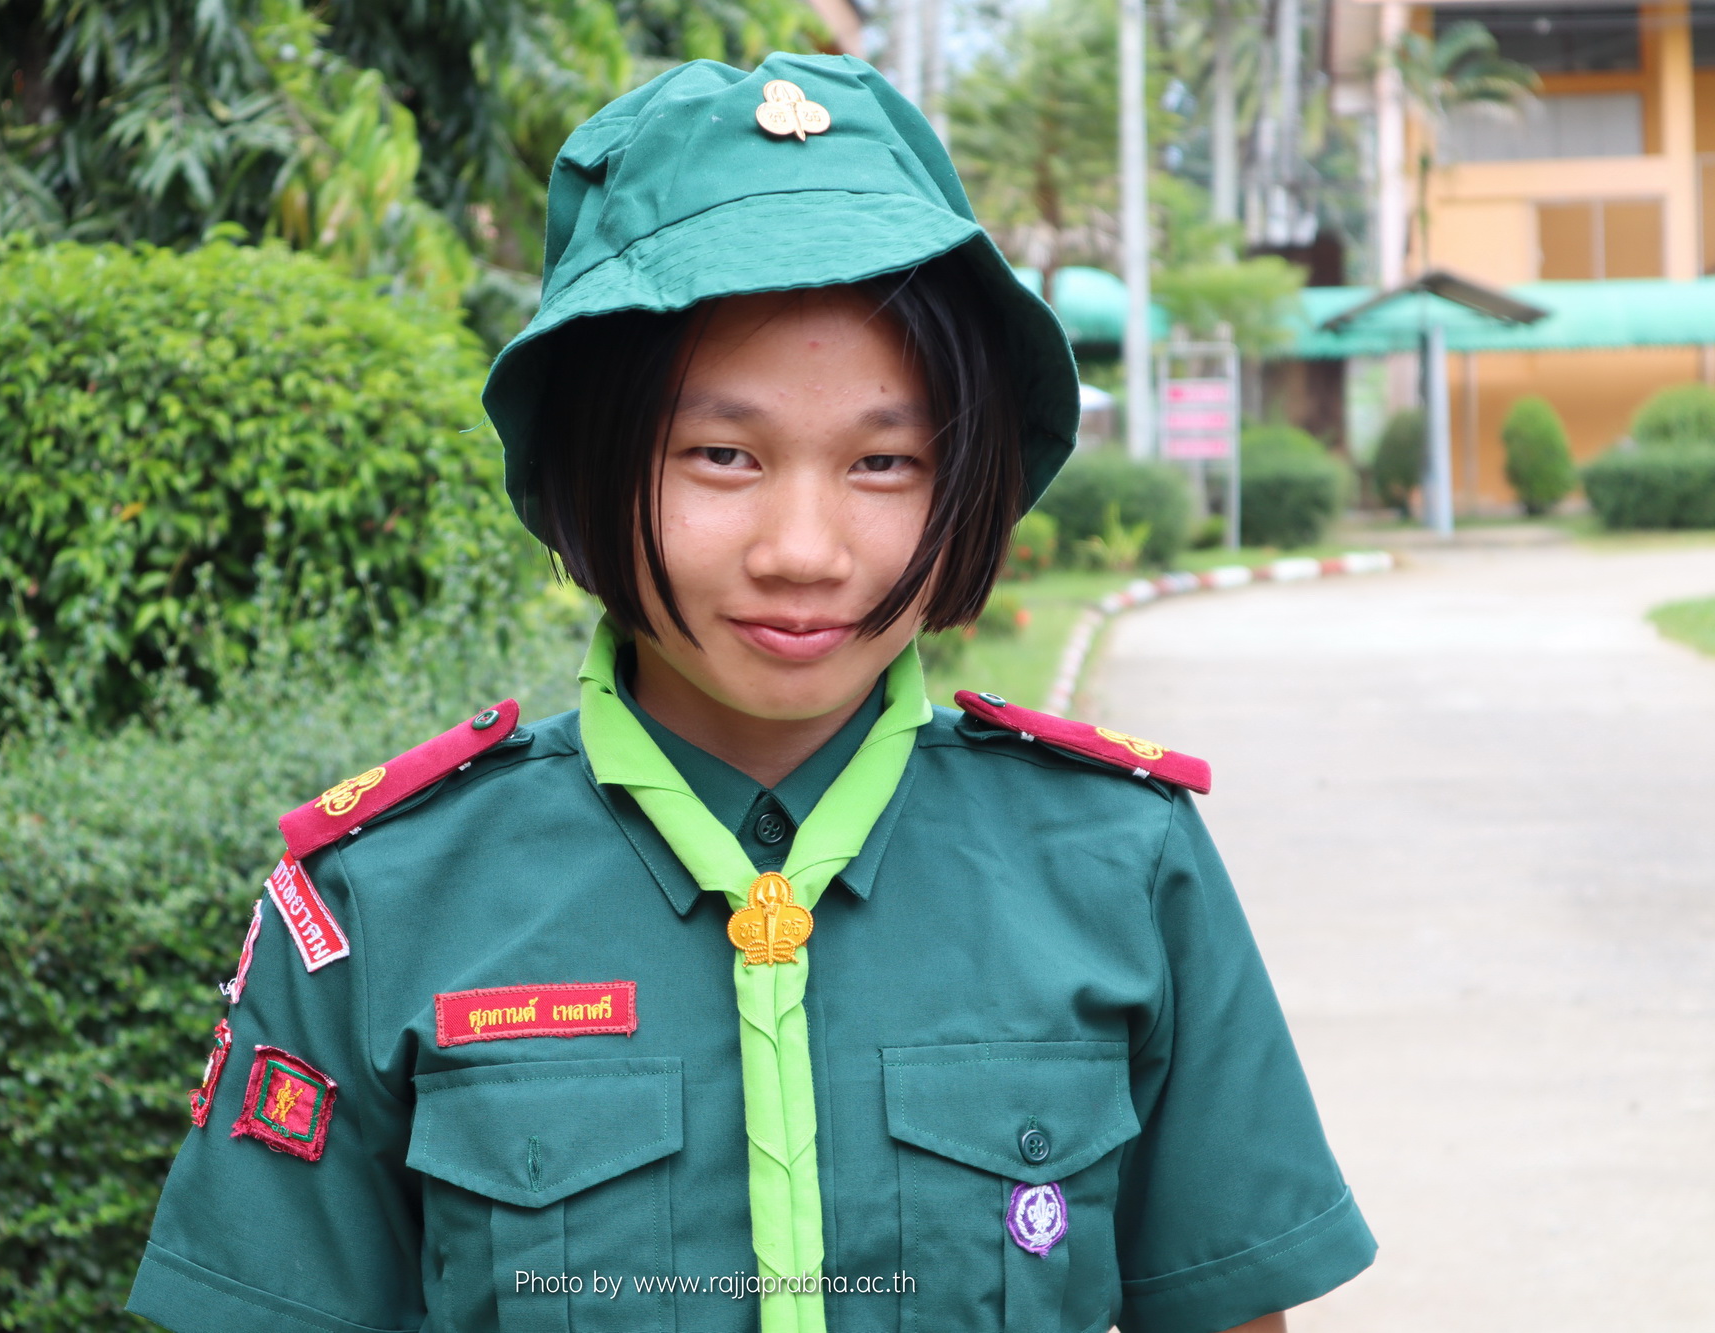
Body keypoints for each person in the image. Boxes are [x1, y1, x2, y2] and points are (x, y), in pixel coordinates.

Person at [127, 52, 1375, 1333]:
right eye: (721, 454)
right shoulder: (386, 896)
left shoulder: (1119, 861)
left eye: (884, 462)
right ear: (584, 463)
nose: (802, 551)